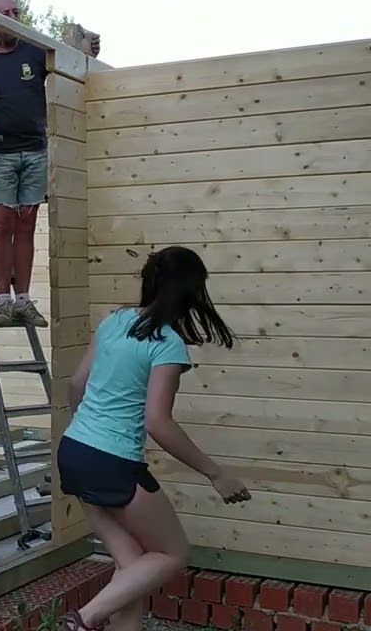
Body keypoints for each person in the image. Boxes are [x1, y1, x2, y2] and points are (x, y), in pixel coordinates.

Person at [56, 246, 251, 631]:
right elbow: (158, 423)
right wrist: (215, 473)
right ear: (191, 292)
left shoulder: (115, 320)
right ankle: (83, 620)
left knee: (131, 565)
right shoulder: (166, 344)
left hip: (74, 450)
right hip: (111, 462)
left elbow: (76, 383)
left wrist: (87, 430)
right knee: (171, 553)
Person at [0, 0, 100, 328]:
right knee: (2, 224)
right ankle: (3, 302)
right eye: (5, 13)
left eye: (16, 12)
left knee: (26, 224)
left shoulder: (35, 52)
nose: (13, 17)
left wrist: (88, 53)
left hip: (35, 151)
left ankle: (23, 300)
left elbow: (72, 68)